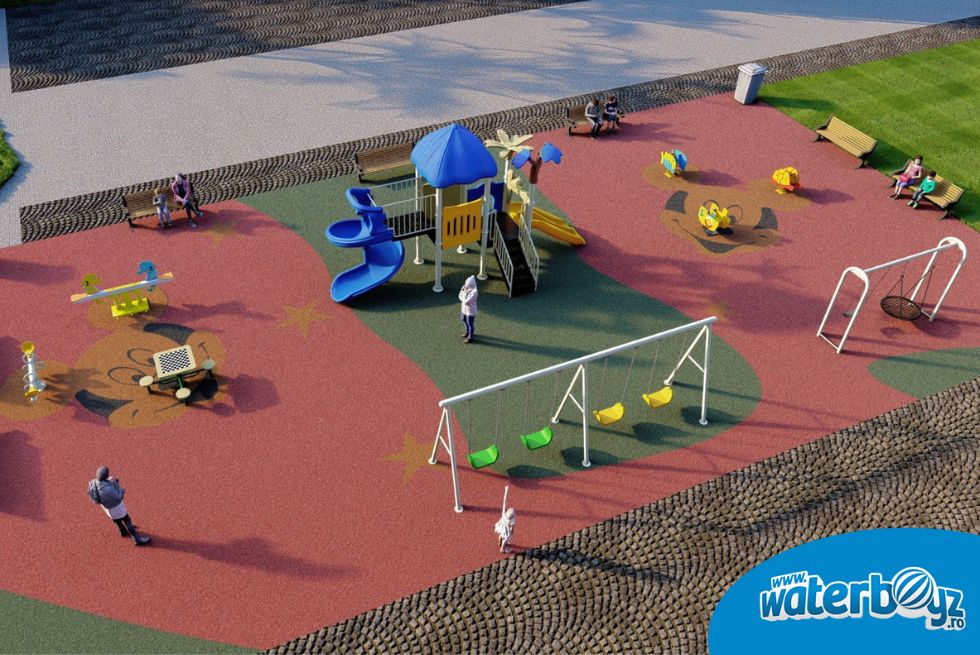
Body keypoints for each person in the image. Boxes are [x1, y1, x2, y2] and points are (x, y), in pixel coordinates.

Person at [87, 466, 151, 546]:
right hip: (116, 507)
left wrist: (111, 481)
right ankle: (137, 539)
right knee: (127, 520)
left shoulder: (93, 483)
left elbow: (101, 491)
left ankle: (122, 531)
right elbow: (118, 496)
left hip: (107, 508)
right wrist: (121, 489)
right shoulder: (108, 490)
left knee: (116, 520)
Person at [494, 485, 516, 553]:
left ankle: (499, 542)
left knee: (501, 535)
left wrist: (506, 491)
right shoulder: (511, 521)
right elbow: (512, 529)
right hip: (506, 530)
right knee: (506, 538)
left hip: (501, 527)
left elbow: (504, 501)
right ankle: (502, 548)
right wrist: (510, 535)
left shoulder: (503, 514)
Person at [459, 275, 478, 343]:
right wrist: (463, 297)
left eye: (468, 285)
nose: (466, 286)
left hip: (470, 311)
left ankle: (470, 337)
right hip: (464, 309)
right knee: (463, 319)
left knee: (470, 324)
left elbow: (467, 302)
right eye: (466, 284)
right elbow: (459, 295)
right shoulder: (464, 287)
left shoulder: (474, 292)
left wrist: (463, 297)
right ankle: (467, 332)